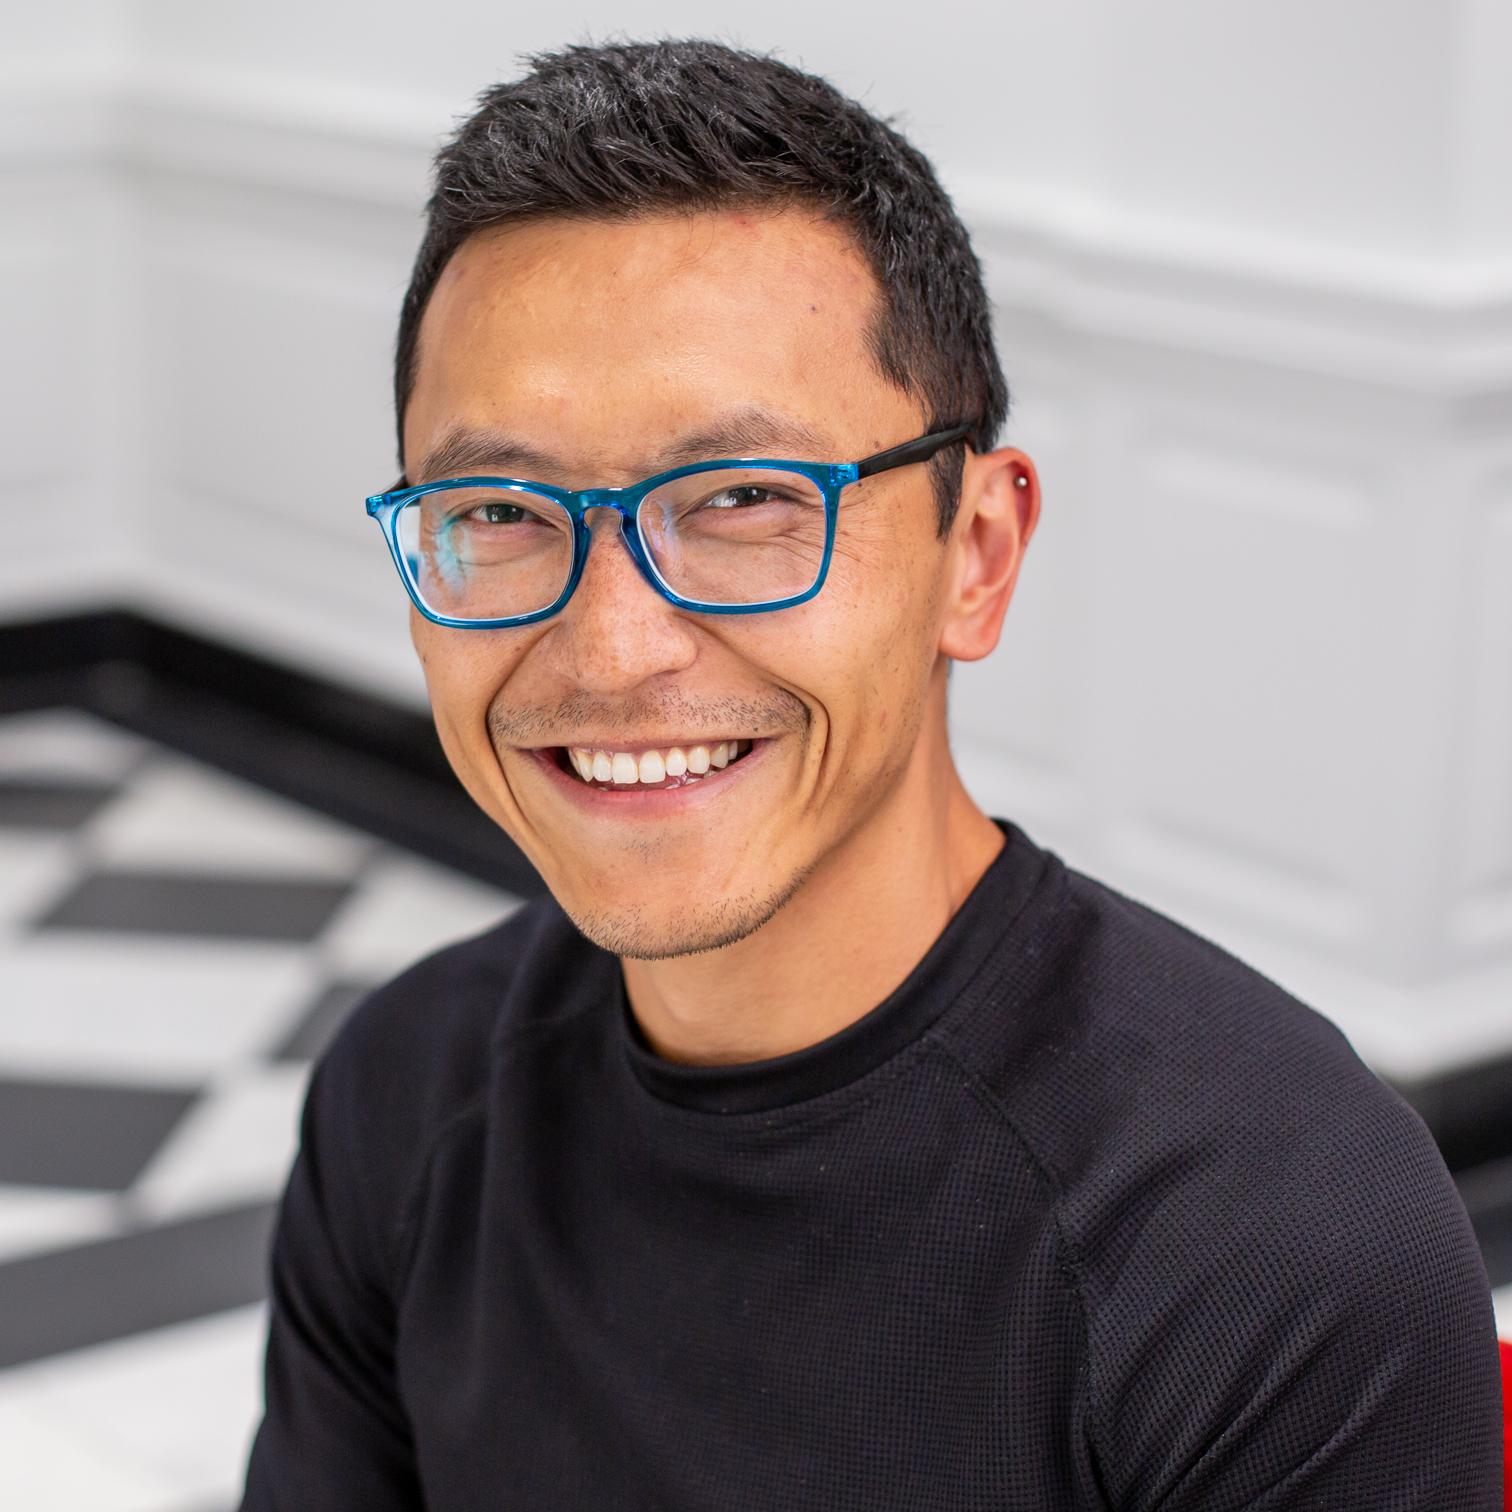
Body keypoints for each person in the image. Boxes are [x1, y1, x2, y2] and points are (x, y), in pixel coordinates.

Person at [238, 39, 1502, 1510]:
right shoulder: (403, 1100)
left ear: (977, 554)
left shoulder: (1273, 1240)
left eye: (748, 501)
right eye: (499, 510)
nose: (613, 647)